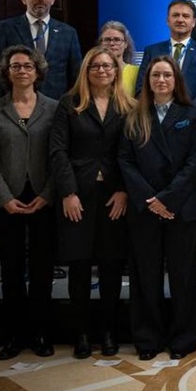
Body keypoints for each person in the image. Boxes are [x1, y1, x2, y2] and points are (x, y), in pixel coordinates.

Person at [119, 56, 196, 360]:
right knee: (145, 277)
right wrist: (151, 200)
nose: (161, 80)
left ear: (176, 80)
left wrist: (167, 199)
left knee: (184, 277)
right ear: (147, 80)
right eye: (155, 75)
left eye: (167, 75)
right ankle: (147, 339)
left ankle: (183, 338)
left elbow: (194, 162)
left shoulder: (192, 115)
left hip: (180, 207)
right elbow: (125, 161)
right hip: (145, 209)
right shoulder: (133, 116)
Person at [50, 47, 135, 359]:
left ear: (116, 71)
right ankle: (82, 334)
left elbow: (132, 154)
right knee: (80, 266)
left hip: (114, 197)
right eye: (95, 66)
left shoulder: (128, 105)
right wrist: (67, 192)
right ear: (86, 70)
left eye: (108, 66)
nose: (102, 70)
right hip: (78, 197)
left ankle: (109, 332)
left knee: (111, 265)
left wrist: (124, 190)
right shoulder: (69, 103)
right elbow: (58, 151)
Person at [0, 46, 58, 360]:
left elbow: (60, 156)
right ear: (6, 72)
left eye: (28, 66)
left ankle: (41, 333)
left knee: (42, 270)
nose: (22, 70)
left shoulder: (54, 108)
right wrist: (4, 198)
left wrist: (48, 194)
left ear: (37, 72)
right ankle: (15, 335)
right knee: (11, 270)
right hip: (7, 201)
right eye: (15, 66)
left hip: (43, 199)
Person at [0, 0, 82, 101]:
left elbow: (76, 76)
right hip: (15, 104)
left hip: (56, 106)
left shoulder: (68, 33)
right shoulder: (5, 29)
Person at [136, 0, 196, 97]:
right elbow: (141, 89)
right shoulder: (152, 51)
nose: (180, 20)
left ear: (194, 22)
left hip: (191, 107)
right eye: (175, 15)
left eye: (185, 16)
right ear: (167, 20)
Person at [97, 20, 139, 98]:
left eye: (117, 40)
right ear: (101, 43)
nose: (112, 43)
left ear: (125, 44)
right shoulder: (95, 72)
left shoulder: (136, 72)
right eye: (107, 40)